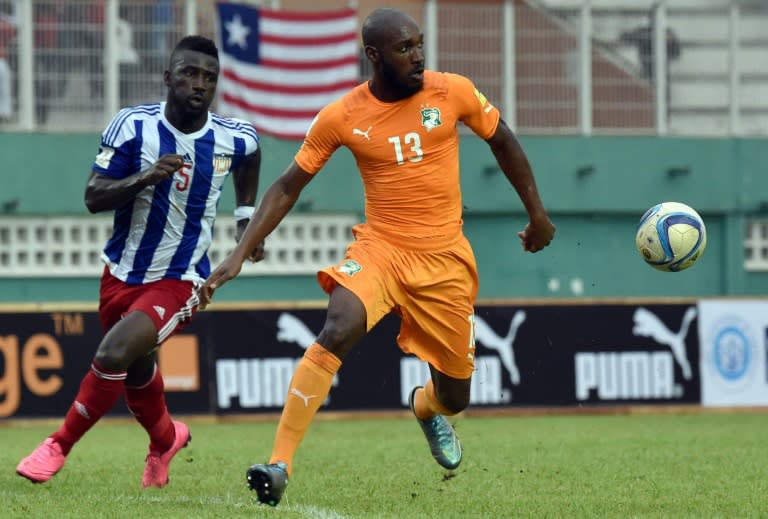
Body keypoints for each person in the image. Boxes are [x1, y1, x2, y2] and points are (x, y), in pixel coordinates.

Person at [200, 7, 555, 507]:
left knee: (456, 397)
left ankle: (425, 407)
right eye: (405, 48)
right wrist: (237, 253)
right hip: (381, 250)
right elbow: (288, 185)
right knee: (338, 325)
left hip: (444, 261)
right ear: (373, 55)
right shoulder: (342, 116)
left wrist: (537, 214)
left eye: (419, 44)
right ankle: (279, 463)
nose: (418, 56)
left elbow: (503, 140)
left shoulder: (450, 90)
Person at [16, 35, 263, 488]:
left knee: (113, 352)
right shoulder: (132, 127)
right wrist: (146, 175)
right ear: (168, 77)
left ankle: (57, 445)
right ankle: (166, 439)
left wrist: (245, 222)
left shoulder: (233, 136)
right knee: (137, 367)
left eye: (209, 77)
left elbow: (250, 156)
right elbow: (93, 196)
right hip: (121, 273)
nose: (199, 84)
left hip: (182, 277)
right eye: (189, 73)